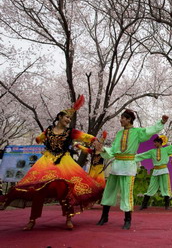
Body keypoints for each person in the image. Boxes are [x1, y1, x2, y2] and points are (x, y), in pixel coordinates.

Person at [0, 95, 103, 231]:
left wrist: (95, 139)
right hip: (46, 162)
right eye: (67, 117)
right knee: (38, 189)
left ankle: (69, 218)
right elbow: (38, 139)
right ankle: (32, 220)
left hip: (64, 162)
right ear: (60, 117)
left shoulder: (70, 132)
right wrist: (39, 138)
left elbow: (85, 137)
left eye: (70, 119)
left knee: (66, 188)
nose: (68, 120)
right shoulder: (48, 130)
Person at [96, 110, 168, 230]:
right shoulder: (119, 134)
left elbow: (150, 130)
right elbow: (113, 150)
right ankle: (104, 216)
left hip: (128, 166)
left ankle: (127, 219)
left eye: (122, 118)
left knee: (126, 193)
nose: (120, 120)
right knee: (109, 191)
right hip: (117, 165)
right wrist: (103, 149)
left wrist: (162, 122)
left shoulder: (137, 132)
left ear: (129, 119)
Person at [136, 136, 172, 210]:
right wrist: (130, 158)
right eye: (154, 143)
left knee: (165, 187)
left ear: (159, 142)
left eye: (155, 142)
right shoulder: (152, 151)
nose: (154, 144)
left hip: (163, 170)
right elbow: (142, 155)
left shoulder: (166, 149)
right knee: (151, 187)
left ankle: (167, 206)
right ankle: (144, 205)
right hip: (155, 171)